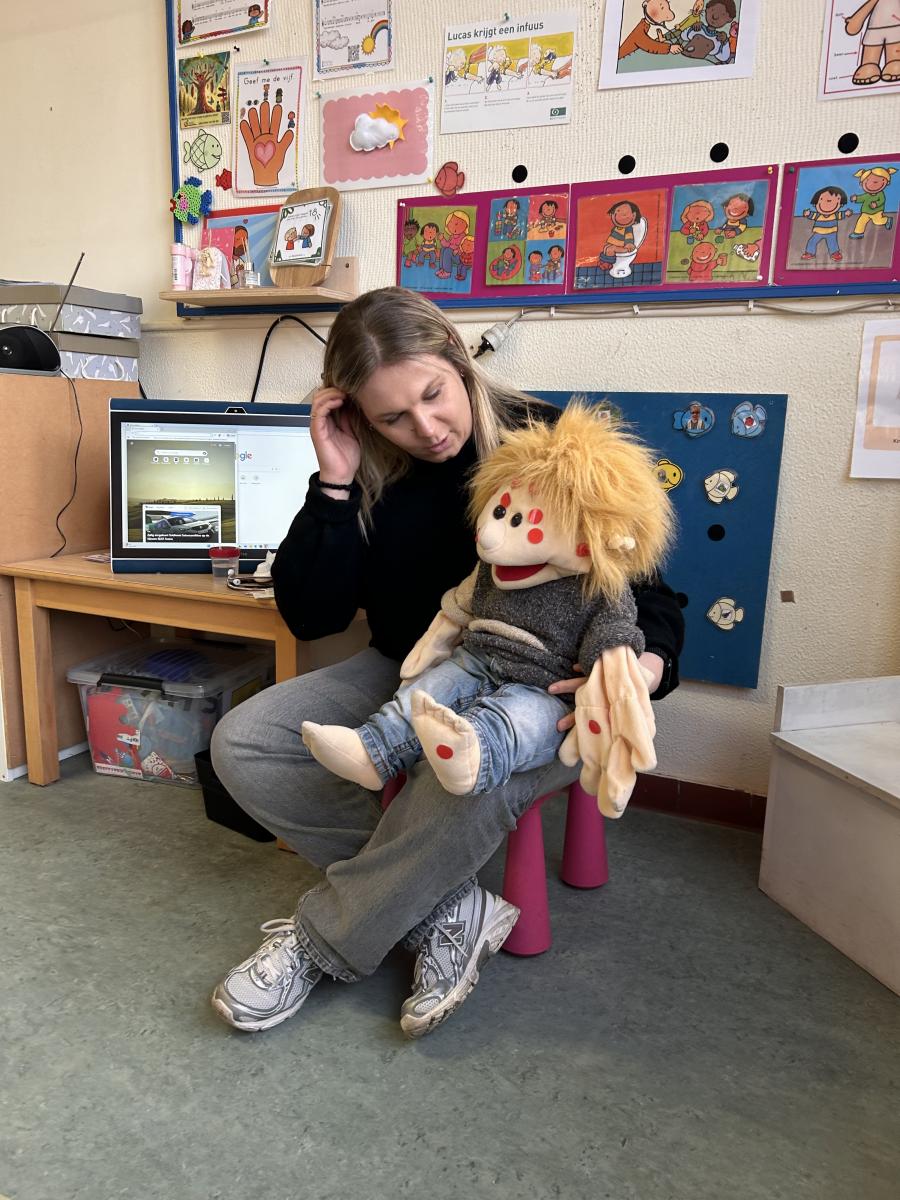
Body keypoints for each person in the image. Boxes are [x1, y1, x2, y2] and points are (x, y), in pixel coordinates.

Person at [209, 287, 684, 1039]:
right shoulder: (366, 469)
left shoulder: (548, 444)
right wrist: (334, 482)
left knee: (465, 770)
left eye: (433, 396)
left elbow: (652, 597)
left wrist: (634, 674)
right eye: (392, 416)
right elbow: (312, 615)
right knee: (245, 741)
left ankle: (323, 939)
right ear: (359, 416)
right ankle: (448, 907)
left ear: (459, 361)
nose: (425, 430)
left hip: (545, 690)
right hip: (413, 668)